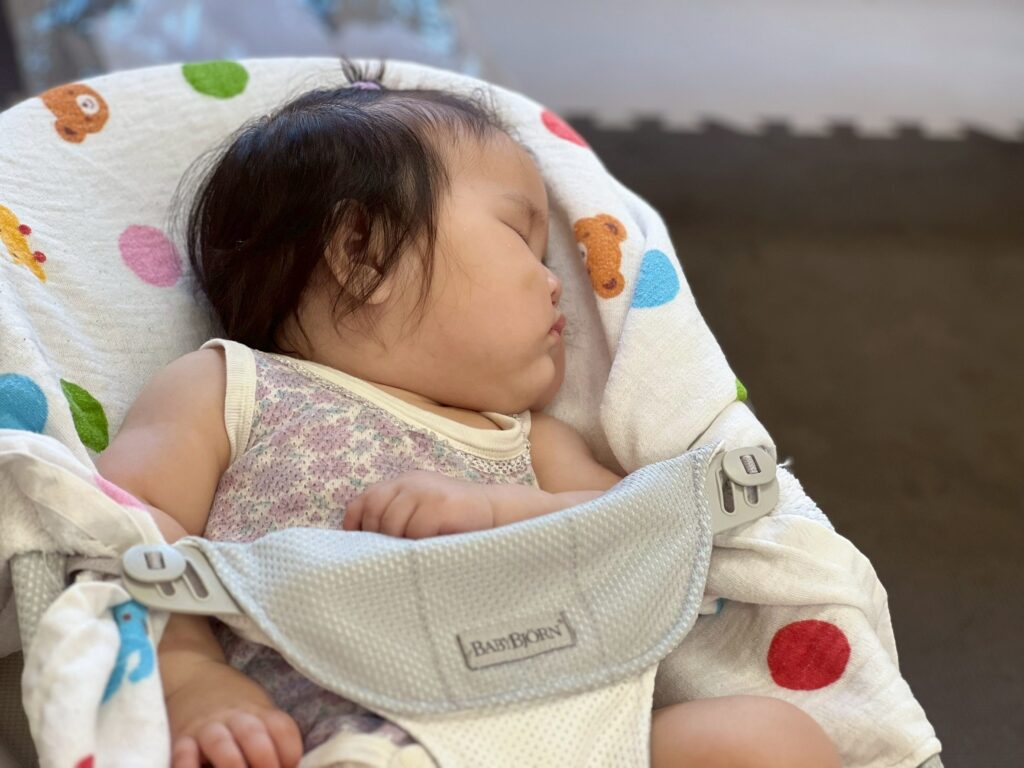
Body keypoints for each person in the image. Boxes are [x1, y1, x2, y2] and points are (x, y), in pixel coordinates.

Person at [95, 59, 841, 768]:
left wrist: (500, 510)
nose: (556, 284)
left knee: (766, 738)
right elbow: (121, 536)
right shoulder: (229, 388)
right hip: (353, 741)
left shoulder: (533, 443)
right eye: (521, 240)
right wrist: (191, 679)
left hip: (576, 739)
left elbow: (643, 533)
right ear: (363, 252)